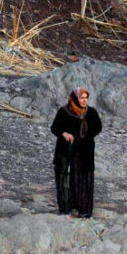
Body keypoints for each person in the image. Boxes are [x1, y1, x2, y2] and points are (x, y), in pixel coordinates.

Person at [50, 87, 102, 218]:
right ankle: (66, 209)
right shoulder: (64, 112)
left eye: (86, 98)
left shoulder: (91, 113)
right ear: (74, 98)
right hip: (66, 151)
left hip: (85, 153)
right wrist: (64, 133)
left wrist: (86, 136)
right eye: (81, 98)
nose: (84, 101)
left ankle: (84, 210)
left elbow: (98, 127)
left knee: (84, 180)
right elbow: (55, 127)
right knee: (65, 179)